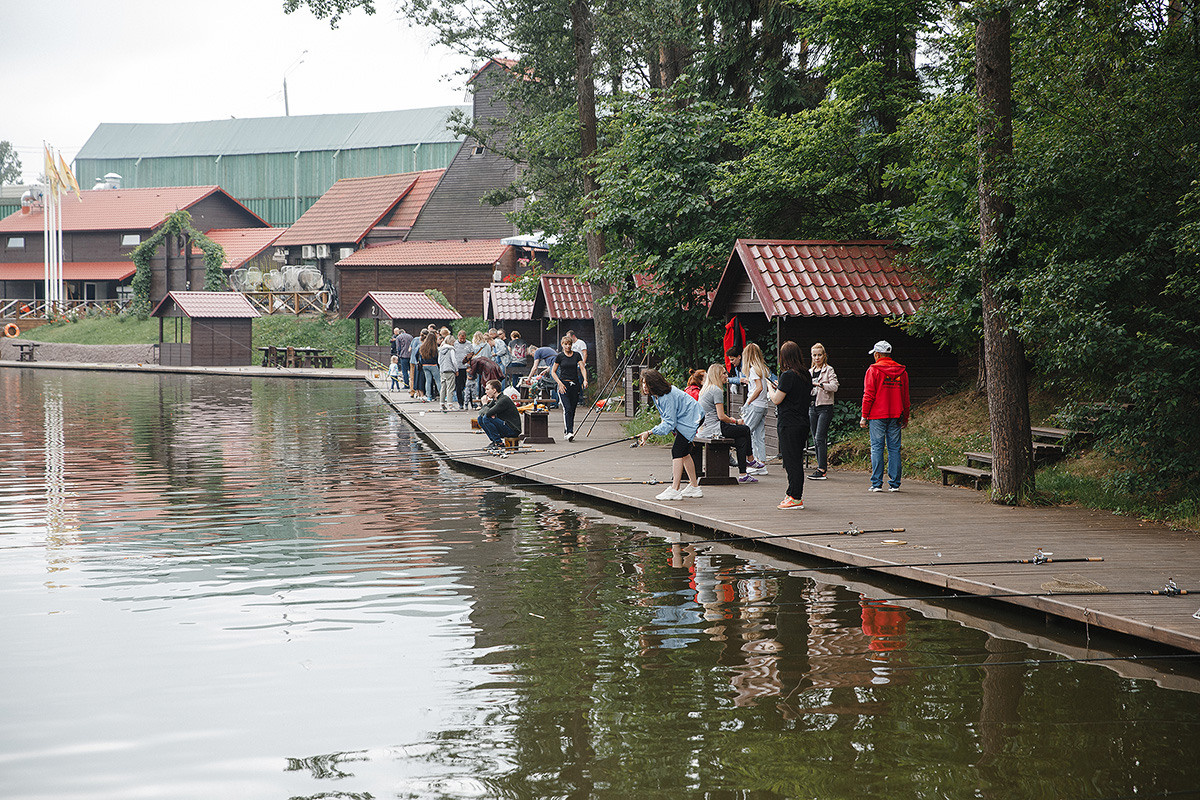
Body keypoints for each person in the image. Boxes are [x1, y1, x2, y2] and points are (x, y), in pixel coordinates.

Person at [636, 368, 704, 501]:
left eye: (647, 383)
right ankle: (695, 487)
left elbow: (669, 423)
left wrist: (649, 432)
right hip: (687, 418)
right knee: (684, 452)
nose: (644, 386)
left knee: (677, 451)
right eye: (643, 383)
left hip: (693, 418)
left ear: (654, 384)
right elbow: (667, 418)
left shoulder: (666, 396)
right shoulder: (657, 395)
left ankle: (675, 489)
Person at [860, 340, 910, 492]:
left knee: (877, 448)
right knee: (894, 449)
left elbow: (868, 395)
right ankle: (894, 484)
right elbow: (905, 397)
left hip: (877, 415)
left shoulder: (873, 370)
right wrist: (905, 417)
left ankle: (876, 484)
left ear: (877, 354)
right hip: (896, 414)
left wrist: (864, 416)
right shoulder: (902, 372)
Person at [697, 364, 757, 484]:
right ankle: (750, 459)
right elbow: (721, 416)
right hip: (715, 429)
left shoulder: (705, 389)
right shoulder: (716, 390)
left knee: (741, 441)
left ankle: (743, 474)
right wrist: (736, 421)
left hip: (704, 429)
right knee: (745, 429)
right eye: (724, 373)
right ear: (717, 375)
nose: (726, 375)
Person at [769, 341, 809, 509]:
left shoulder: (787, 375)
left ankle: (795, 497)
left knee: (791, 461)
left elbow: (777, 399)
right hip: (802, 422)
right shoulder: (805, 374)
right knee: (796, 459)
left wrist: (769, 390)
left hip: (788, 423)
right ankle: (791, 491)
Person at [808, 342, 840, 480]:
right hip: (812, 406)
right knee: (815, 438)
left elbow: (835, 386)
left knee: (820, 437)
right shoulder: (809, 371)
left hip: (825, 406)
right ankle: (820, 466)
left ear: (824, 355)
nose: (817, 358)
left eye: (819, 355)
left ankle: (822, 469)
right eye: (814, 355)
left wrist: (820, 385)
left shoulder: (829, 370)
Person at [740, 342, 771, 471]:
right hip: (763, 405)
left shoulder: (753, 370)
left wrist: (747, 402)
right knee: (759, 435)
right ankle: (761, 464)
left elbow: (758, 388)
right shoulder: (763, 369)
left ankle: (751, 462)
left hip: (755, 405)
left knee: (745, 432)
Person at [551, 335, 588, 441]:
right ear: (562, 345)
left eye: (569, 344)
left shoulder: (577, 355)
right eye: (565, 344)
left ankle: (568, 429)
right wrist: (559, 383)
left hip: (575, 385)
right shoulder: (560, 356)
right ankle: (569, 432)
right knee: (567, 408)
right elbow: (553, 372)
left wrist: (585, 379)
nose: (568, 346)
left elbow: (582, 367)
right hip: (563, 385)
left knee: (572, 409)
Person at [478, 379, 523, 451]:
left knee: (486, 418)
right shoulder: (495, 400)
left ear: (494, 390)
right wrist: (487, 410)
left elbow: (488, 413)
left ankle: (499, 443)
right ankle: (494, 441)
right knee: (480, 418)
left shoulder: (503, 400)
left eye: (487, 389)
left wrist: (484, 404)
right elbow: (482, 413)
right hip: (504, 425)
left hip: (512, 429)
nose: (485, 392)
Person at [437, 331, 459, 411]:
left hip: (442, 370)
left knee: (443, 387)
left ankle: (441, 404)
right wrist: (456, 370)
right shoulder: (451, 350)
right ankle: (450, 404)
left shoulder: (441, 350)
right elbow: (454, 361)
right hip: (450, 370)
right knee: (450, 388)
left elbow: (439, 361)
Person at [418, 330, 440, 403]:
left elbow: (420, 357)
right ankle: (442, 395)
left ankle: (428, 396)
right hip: (433, 365)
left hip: (425, 365)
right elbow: (436, 357)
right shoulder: (434, 347)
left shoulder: (423, 346)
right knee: (438, 381)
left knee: (428, 381)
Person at [453, 330, 473, 409]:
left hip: (466, 368)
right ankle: (460, 402)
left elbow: (472, 353)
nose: (462, 340)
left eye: (463, 339)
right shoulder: (455, 344)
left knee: (468, 386)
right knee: (458, 386)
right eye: (461, 339)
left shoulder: (469, 344)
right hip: (458, 368)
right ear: (458, 337)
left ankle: (470, 402)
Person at [410, 330, 426, 399]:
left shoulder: (414, 339)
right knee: (420, 378)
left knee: (413, 377)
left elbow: (410, 349)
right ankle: (420, 394)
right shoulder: (423, 344)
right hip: (420, 363)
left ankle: (413, 392)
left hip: (413, 361)